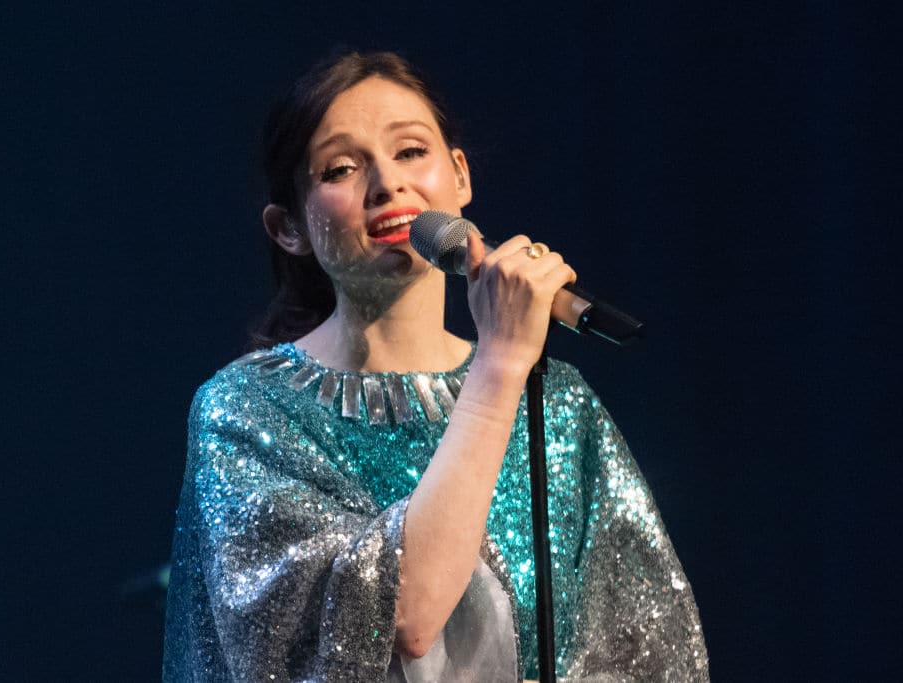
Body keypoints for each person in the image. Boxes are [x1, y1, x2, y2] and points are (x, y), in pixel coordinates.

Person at [163, 51, 708, 682]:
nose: (387, 183)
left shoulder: (556, 401)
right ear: (290, 228)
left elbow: (652, 657)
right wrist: (501, 362)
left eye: (411, 152)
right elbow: (406, 619)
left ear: (460, 177)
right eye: (341, 168)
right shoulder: (248, 410)